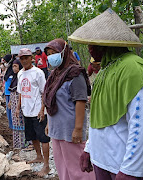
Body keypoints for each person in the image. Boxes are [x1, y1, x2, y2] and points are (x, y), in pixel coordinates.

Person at [68, 8, 143, 179]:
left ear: (109, 43)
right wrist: (89, 150)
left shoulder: (133, 69)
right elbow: (97, 118)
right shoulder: (104, 71)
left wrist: (130, 169)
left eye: (94, 44)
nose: (90, 48)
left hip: (123, 166)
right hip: (102, 160)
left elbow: (142, 124)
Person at [43, 39, 94, 180]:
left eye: (54, 53)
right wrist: (49, 123)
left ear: (64, 53)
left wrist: (78, 129)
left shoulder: (75, 74)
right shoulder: (55, 75)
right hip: (57, 129)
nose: (51, 56)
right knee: (62, 166)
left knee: (79, 168)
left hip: (70, 130)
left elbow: (80, 101)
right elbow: (51, 101)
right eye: (49, 54)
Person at [16, 48, 50, 177]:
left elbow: (44, 92)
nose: (24, 60)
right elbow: (21, 92)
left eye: (26, 57)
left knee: (43, 138)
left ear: (31, 58)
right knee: (32, 136)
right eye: (22, 58)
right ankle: (38, 156)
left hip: (38, 111)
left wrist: (42, 110)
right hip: (26, 110)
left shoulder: (38, 73)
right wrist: (18, 108)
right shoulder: (20, 74)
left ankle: (46, 165)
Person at [8, 59, 28, 149]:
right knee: (15, 122)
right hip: (14, 103)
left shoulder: (21, 77)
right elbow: (12, 91)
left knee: (21, 122)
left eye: (16, 66)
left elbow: (20, 93)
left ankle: (24, 143)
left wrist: (18, 106)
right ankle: (17, 144)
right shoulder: (14, 78)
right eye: (13, 66)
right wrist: (10, 102)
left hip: (19, 104)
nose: (14, 68)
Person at [3, 54, 15, 129]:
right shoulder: (9, 70)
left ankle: (13, 125)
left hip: (11, 93)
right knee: (9, 109)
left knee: (11, 109)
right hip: (7, 92)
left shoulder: (12, 71)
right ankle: (11, 125)